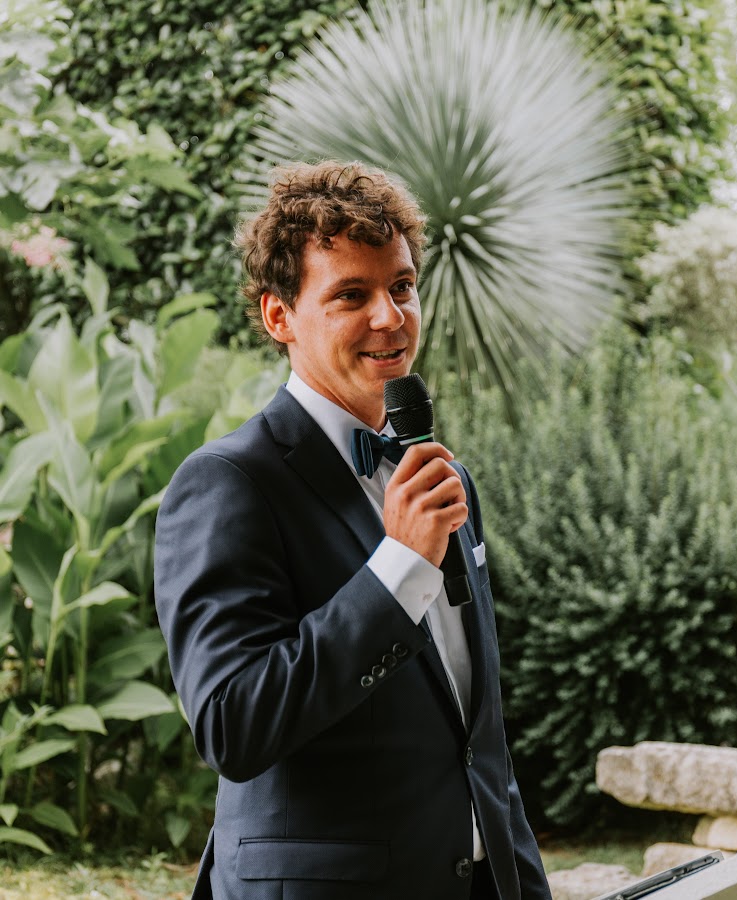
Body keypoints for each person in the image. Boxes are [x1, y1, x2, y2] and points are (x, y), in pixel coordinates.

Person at [154, 160, 551, 900]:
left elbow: (478, 741)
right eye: (350, 295)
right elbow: (232, 725)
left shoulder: (444, 479)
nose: (391, 318)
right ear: (279, 317)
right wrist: (398, 566)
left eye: (401, 286)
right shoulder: (229, 483)